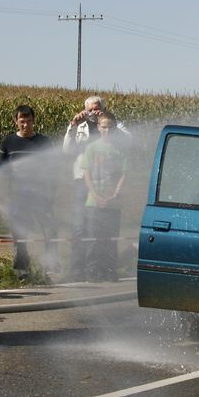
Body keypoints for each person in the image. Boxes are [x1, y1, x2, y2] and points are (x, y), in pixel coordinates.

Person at [63, 96, 130, 280]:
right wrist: (73, 125)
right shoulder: (80, 127)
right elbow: (67, 150)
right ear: (85, 110)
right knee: (80, 227)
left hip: (106, 182)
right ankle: (78, 270)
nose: (94, 113)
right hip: (82, 181)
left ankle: (104, 267)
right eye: (91, 110)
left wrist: (109, 119)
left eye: (98, 109)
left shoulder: (110, 125)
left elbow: (129, 140)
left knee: (105, 228)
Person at [0, 104, 57, 277]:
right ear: (15, 121)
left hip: (41, 196)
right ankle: (22, 270)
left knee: (49, 232)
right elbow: (2, 170)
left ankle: (50, 268)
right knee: (20, 235)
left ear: (34, 121)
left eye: (29, 121)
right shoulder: (8, 142)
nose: (26, 125)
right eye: (22, 121)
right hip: (17, 197)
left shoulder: (43, 142)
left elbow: (52, 168)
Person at [81, 115, 128, 282]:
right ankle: (93, 270)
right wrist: (95, 195)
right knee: (94, 239)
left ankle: (109, 270)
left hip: (113, 204)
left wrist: (115, 194)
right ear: (98, 128)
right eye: (104, 127)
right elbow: (86, 173)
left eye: (110, 127)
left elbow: (124, 173)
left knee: (111, 239)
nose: (107, 131)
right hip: (94, 203)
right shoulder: (91, 148)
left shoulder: (119, 150)